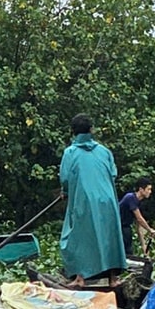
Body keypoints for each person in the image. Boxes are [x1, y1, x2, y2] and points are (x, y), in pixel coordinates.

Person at [58, 115, 124, 284]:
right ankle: (113, 278)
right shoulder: (104, 151)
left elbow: (65, 178)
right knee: (108, 235)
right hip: (107, 200)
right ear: (91, 130)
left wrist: (65, 191)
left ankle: (80, 277)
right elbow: (113, 174)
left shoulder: (70, 153)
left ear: (73, 132)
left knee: (77, 237)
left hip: (84, 200)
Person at [119, 177, 155, 257]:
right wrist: (150, 230)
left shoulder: (139, 203)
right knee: (125, 252)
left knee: (129, 250)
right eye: (148, 189)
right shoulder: (130, 197)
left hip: (126, 228)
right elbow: (139, 219)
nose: (150, 192)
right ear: (141, 189)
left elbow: (139, 226)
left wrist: (144, 246)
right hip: (118, 227)